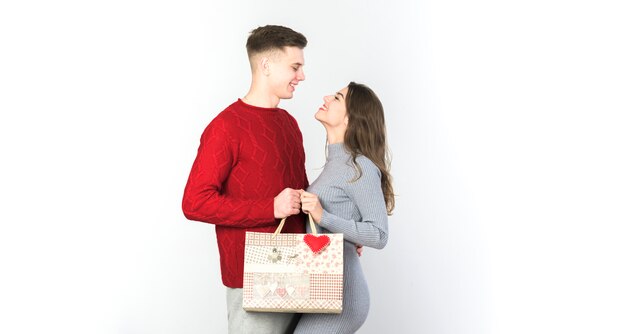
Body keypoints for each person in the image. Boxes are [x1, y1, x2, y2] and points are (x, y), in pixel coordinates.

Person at [182, 25, 309, 334]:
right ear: (265, 65)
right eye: (295, 66)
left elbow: (302, 198)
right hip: (253, 279)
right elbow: (194, 203)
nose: (302, 76)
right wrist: (270, 208)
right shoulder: (226, 127)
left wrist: (342, 230)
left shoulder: (289, 123)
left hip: (301, 271)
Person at [294, 82, 395, 334]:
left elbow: (379, 234)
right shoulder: (335, 162)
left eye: (337, 97)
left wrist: (323, 215)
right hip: (321, 289)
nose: (327, 96)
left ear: (350, 119)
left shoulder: (360, 166)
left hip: (343, 297)